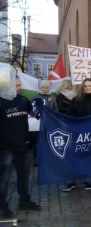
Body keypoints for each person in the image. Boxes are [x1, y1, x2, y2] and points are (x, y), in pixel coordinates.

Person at [0, 76, 41, 218]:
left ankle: (24, 201)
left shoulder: (23, 100)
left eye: (20, 85)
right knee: (3, 179)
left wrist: (38, 106)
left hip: (24, 146)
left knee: (24, 176)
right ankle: (2, 206)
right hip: (5, 148)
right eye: (17, 85)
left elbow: (35, 114)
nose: (20, 88)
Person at [63, 78, 91, 192]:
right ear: (82, 88)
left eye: (90, 86)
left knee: (90, 157)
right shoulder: (76, 100)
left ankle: (88, 180)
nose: (88, 88)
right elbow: (69, 115)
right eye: (85, 86)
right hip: (78, 133)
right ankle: (71, 181)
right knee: (74, 158)